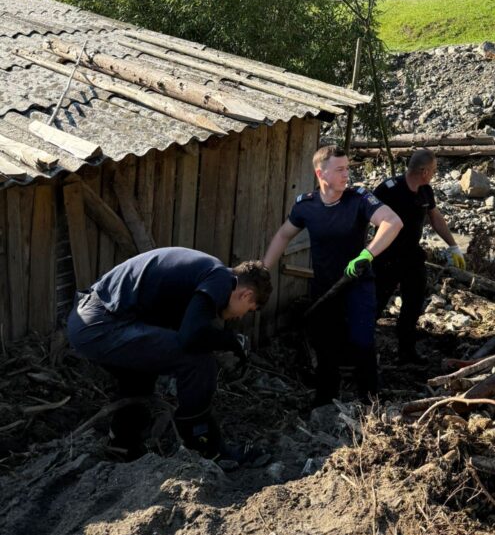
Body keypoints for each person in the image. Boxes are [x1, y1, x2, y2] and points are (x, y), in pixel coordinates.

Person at [67, 246, 272, 465]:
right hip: (101, 323)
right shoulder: (221, 278)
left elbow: (180, 333)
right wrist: (232, 341)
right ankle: (208, 450)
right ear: (246, 294)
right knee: (198, 362)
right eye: (248, 309)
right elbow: (191, 338)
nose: (240, 317)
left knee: (141, 375)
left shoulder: (204, 274)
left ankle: (122, 445)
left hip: (89, 319)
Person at [261, 144, 402, 406]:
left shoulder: (358, 199)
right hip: (325, 286)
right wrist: (265, 269)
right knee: (325, 343)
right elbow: (283, 235)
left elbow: (392, 222)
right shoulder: (306, 206)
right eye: (339, 169)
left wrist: (367, 254)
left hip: (357, 283)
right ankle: (325, 398)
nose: (346, 174)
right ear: (321, 174)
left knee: (361, 341)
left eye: (347, 168)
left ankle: (370, 400)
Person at [373, 148, 465, 364]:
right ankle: (358, 351)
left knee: (413, 305)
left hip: (412, 257)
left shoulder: (425, 191)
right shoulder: (389, 189)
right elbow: (365, 215)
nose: (435, 172)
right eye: (433, 169)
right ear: (424, 171)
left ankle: (407, 352)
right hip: (386, 257)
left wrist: (453, 246)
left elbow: (435, 218)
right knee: (375, 304)